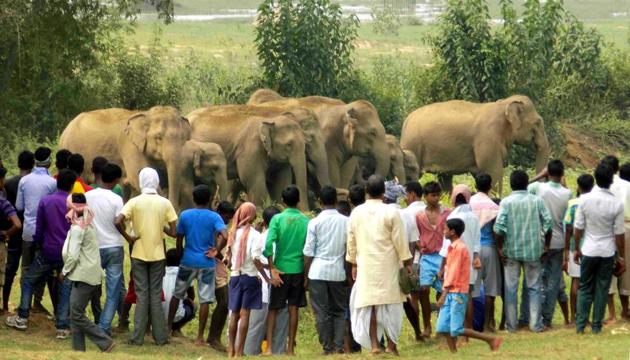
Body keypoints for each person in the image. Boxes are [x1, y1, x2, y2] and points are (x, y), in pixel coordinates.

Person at [7, 169, 77, 338]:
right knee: (65, 287)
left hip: (47, 251)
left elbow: (39, 229)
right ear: (72, 186)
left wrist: (39, 244)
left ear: (57, 182)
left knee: (29, 280)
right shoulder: (75, 203)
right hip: (66, 253)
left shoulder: (46, 201)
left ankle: (22, 317)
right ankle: (62, 327)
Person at [347, 175, 412, 355]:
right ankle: (391, 345)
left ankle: (375, 345)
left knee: (371, 305)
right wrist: (406, 262)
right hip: (388, 264)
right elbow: (400, 241)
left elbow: (351, 241)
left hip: (365, 265)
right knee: (391, 305)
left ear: (366, 192)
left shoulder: (356, 213)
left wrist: (353, 263)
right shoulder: (391, 212)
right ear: (384, 192)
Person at [115, 167, 178, 346]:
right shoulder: (165, 203)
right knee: (156, 295)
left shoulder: (134, 202)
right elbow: (174, 232)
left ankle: (137, 337)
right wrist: (161, 227)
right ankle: (160, 337)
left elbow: (117, 221)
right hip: (158, 254)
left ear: (142, 181)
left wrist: (129, 237)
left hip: (138, 253)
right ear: (157, 182)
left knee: (142, 295)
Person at [167, 185, 227, 345]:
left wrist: (180, 254)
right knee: (205, 300)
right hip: (207, 263)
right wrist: (216, 250)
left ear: (193, 198)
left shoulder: (185, 215)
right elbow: (225, 236)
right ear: (209, 200)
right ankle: (200, 337)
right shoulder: (214, 217)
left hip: (187, 260)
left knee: (177, 294)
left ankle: (167, 329)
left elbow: (179, 238)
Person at [494, 170, 552, 333]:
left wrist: (499, 248)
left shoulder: (506, 202)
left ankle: (511, 326)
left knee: (511, 288)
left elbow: (498, 228)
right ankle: (535, 325)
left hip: (511, 252)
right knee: (534, 287)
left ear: (511, 184)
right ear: (527, 183)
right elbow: (548, 224)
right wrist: (546, 246)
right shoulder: (537, 201)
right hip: (534, 251)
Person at [436, 218, 503, 353]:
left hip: (457, 293)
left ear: (453, 232)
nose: (443, 231)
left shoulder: (459, 248)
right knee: (443, 327)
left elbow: (454, 273)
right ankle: (453, 353)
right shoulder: (452, 247)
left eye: (445, 229)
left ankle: (490, 340)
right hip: (450, 291)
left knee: (455, 329)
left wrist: (444, 294)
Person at [574, 162, 626, 334]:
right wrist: (621, 257)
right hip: (607, 250)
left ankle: (580, 325)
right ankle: (596, 325)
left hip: (588, 248)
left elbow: (578, 228)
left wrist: (576, 248)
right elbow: (619, 233)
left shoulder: (584, 200)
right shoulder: (616, 204)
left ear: (595, 178)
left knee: (585, 287)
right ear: (611, 181)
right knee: (602, 288)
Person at [61, 193, 115, 352]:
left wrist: (64, 272)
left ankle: (105, 341)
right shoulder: (87, 222)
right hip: (89, 274)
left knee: (76, 313)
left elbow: (73, 254)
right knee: (76, 313)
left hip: (84, 275)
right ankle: (78, 350)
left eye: (68, 205)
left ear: (73, 207)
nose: (66, 207)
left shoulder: (79, 227)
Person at [263, 185, 309, 356]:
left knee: (274, 309)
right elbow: (307, 249)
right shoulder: (306, 221)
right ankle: (290, 349)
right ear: (298, 200)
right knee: (293, 309)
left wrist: (272, 267)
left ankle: (269, 349)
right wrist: (306, 275)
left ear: (282, 201)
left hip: (280, 269)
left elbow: (268, 245)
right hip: (297, 269)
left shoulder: (276, 219)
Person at [303, 185, 349, 355]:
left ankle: (327, 347)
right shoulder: (346, 221)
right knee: (338, 310)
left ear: (319, 201)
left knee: (321, 311)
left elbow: (308, 253)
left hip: (317, 272)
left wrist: (305, 276)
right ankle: (338, 346)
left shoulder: (314, 222)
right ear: (336, 201)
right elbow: (349, 250)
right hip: (338, 272)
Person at [239, 206, 289, 356]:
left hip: (261, 289)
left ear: (265, 221)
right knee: (280, 326)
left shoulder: (259, 237)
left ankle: (249, 353)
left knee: (255, 327)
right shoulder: (281, 238)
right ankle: (278, 353)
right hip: (279, 285)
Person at [528, 160, 572, 329]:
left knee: (536, 281)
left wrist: (539, 175)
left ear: (547, 174)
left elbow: (521, 187)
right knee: (553, 282)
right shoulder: (567, 194)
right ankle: (547, 319)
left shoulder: (538, 188)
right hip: (559, 241)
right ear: (562, 175)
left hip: (539, 240)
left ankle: (534, 317)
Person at [16, 146, 57, 315]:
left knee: (26, 268)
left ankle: (23, 304)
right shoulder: (52, 183)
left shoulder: (24, 181)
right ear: (48, 162)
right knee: (43, 269)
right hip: (44, 233)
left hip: (27, 232)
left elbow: (19, 206)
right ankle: (36, 303)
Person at [85, 163, 125, 334]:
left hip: (93, 246)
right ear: (116, 180)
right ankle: (104, 327)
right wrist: (128, 237)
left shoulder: (87, 196)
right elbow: (119, 222)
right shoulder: (117, 199)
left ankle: (92, 317)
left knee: (90, 285)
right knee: (113, 290)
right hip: (114, 246)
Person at [226, 202, 269, 357]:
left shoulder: (232, 233)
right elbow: (256, 259)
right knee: (245, 315)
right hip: (250, 278)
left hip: (235, 277)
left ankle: (230, 349)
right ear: (252, 215)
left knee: (234, 314)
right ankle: (239, 351)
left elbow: (229, 259)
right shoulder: (255, 235)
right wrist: (265, 276)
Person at [442, 184, 481, 334]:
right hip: (469, 264)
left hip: (454, 265)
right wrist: (476, 257)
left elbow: (446, 247)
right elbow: (477, 242)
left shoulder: (452, 217)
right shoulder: (473, 217)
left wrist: (441, 268)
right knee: (468, 297)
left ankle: (456, 331)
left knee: (453, 299)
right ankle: (467, 329)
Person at [416, 181, 451, 337]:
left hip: (442, 256)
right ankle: (427, 325)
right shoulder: (419, 216)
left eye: (438, 195)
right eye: (432, 195)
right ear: (425, 196)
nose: (436, 198)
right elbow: (415, 235)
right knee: (423, 289)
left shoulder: (446, 213)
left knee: (441, 291)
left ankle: (441, 325)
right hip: (427, 257)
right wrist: (419, 245)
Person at [470, 173, 502, 332]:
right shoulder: (494, 206)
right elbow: (497, 230)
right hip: (489, 247)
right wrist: (500, 249)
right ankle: (488, 323)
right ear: (490, 186)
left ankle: (473, 322)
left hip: (473, 250)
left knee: (473, 288)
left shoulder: (470, 204)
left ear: (475, 186)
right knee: (490, 289)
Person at [2, 151, 33, 313]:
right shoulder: (34, 183)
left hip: (13, 232)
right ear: (33, 164)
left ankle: (5, 304)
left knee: (9, 270)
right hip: (30, 231)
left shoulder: (8, 183)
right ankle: (26, 305)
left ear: (18, 163)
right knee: (28, 271)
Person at [563, 174, 595, 323]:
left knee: (576, 281)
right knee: (590, 282)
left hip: (575, 246)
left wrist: (566, 252)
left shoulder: (573, 203)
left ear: (578, 187)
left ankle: (574, 316)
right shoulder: (596, 202)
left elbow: (568, 228)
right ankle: (586, 316)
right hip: (593, 245)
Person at [602, 156, 630, 321]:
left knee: (608, 270)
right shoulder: (627, 185)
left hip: (607, 229)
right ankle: (625, 310)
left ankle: (611, 313)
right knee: (627, 269)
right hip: (627, 227)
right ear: (617, 168)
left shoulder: (601, 186)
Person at [207, 201, 235, 351]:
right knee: (224, 302)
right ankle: (213, 338)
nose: (227, 220)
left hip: (217, 266)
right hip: (216, 267)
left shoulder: (214, 222)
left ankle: (213, 337)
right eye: (227, 217)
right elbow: (221, 242)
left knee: (223, 302)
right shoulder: (217, 224)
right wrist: (219, 254)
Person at [0, 167, 23, 310]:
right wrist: (7, 232)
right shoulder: (3, 202)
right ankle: (3, 307)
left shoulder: (6, 192)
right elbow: (17, 224)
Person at [162, 249, 196, 335]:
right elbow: (192, 296)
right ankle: (176, 328)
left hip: (157, 316)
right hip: (176, 318)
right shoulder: (185, 273)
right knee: (193, 306)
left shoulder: (160, 271)